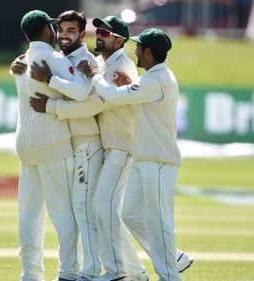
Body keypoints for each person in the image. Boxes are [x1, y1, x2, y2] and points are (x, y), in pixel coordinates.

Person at [25, 16, 148, 281]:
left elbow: (90, 101)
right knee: (98, 211)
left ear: (82, 34)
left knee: (86, 209)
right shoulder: (74, 60)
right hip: (80, 145)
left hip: (90, 144)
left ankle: (91, 271)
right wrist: (19, 66)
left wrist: (51, 106)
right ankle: (135, 273)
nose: (64, 34)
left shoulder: (88, 63)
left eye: (71, 30)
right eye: (60, 29)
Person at [77, 28, 187, 281]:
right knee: (130, 215)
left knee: (160, 221)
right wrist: (132, 87)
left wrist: (94, 75)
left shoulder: (157, 79)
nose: (135, 51)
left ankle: (170, 276)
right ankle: (174, 259)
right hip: (143, 158)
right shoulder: (152, 79)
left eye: (139, 48)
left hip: (159, 160)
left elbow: (115, 95)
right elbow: (136, 98)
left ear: (149, 52)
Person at [13, 10, 104, 281]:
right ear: (46, 30)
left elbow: (19, 71)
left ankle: (30, 274)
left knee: (29, 215)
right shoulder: (53, 59)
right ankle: (68, 273)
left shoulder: (22, 60)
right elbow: (81, 91)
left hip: (25, 145)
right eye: (54, 28)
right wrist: (87, 75)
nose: (59, 33)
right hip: (52, 144)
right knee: (64, 214)